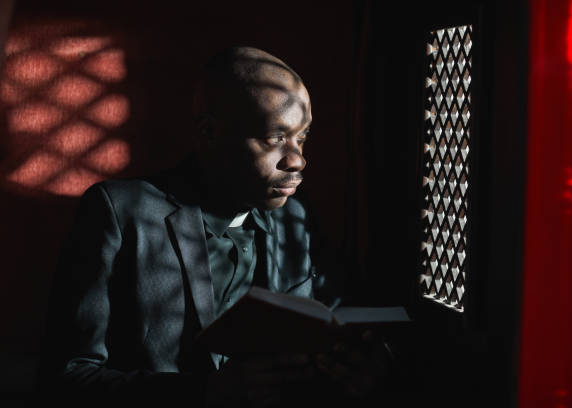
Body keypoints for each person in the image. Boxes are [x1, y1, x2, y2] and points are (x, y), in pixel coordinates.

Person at [37, 47, 400, 408]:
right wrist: (202, 394)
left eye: (301, 137)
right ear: (209, 132)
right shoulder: (118, 212)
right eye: (274, 138)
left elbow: (333, 332)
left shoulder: (298, 221)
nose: (297, 159)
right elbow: (67, 378)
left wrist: (363, 371)